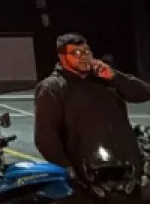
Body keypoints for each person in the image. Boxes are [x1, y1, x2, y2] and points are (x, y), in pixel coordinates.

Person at [35, 32, 150, 179]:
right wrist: (66, 168)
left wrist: (115, 77)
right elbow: (45, 137)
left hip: (126, 169)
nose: (84, 56)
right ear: (62, 57)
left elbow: (143, 94)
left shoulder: (104, 78)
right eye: (76, 53)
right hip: (88, 174)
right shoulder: (53, 88)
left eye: (86, 51)